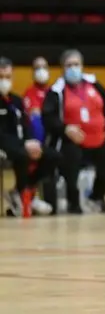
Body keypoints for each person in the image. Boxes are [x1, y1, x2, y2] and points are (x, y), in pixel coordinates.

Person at [42, 49, 105, 214]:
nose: (73, 68)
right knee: (71, 153)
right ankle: (74, 201)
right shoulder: (56, 91)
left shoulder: (94, 84)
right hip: (72, 142)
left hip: (98, 139)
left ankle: (97, 196)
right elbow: (48, 118)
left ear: (82, 66)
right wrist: (65, 129)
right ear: (63, 68)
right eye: (69, 65)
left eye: (76, 64)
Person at [0, 57, 59, 216]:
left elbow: (26, 125)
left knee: (52, 156)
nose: (4, 81)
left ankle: (24, 191)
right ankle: (22, 193)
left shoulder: (17, 101)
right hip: (5, 145)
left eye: (8, 77)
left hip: (21, 144)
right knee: (22, 155)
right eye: (1, 78)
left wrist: (32, 141)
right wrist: (23, 145)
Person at [22, 56, 50, 142]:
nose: (41, 71)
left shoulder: (54, 91)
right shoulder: (29, 92)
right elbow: (35, 113)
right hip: (37, 134)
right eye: (37, 68)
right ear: (33, 73)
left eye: (44, 67)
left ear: (48, 71)